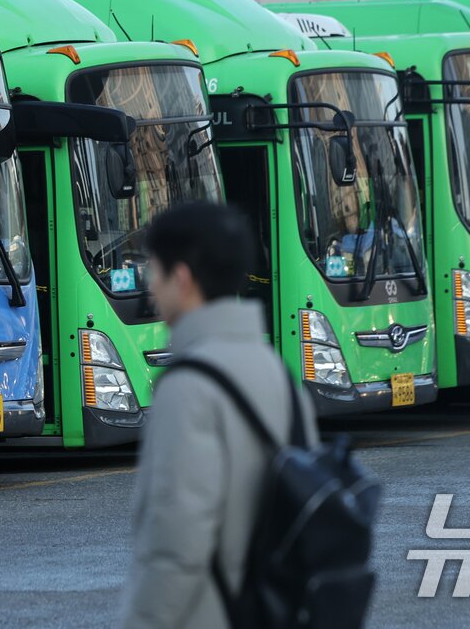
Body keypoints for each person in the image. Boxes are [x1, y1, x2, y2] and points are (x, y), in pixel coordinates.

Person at [119, 201, 319, 628]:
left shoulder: (187, 388)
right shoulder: (278, 374)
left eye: (154, 271)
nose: (150, 287)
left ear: (183, 278)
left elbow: (176, 543)